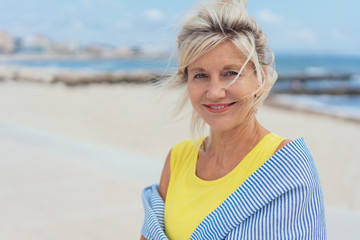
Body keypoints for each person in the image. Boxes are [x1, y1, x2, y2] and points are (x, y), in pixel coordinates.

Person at [140, 0, 326, 239]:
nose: (215, 91)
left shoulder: (287, 165)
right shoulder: (177, 158)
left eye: (230, 73)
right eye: (201, 75)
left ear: (260, 79)